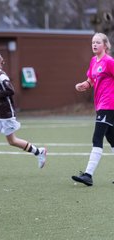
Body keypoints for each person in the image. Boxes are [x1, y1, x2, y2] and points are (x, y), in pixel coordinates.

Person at [0, 52, 47, 178]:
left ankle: (39, 152)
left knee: (12, 141)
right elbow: (0, 93)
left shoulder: (2, 76)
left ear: (0, 63)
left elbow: (10, 90)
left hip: (6, 113)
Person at [71, 33, 114, 186]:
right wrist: (84, 85)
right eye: (93, 42)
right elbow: (91, 79)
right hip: (101, 105)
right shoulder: (93, 61)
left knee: (97, 139)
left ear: (105, 45)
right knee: (112, 139)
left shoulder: (109, 61)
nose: (94, 45)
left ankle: (88, 175)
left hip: (108, 105)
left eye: (97, 42)